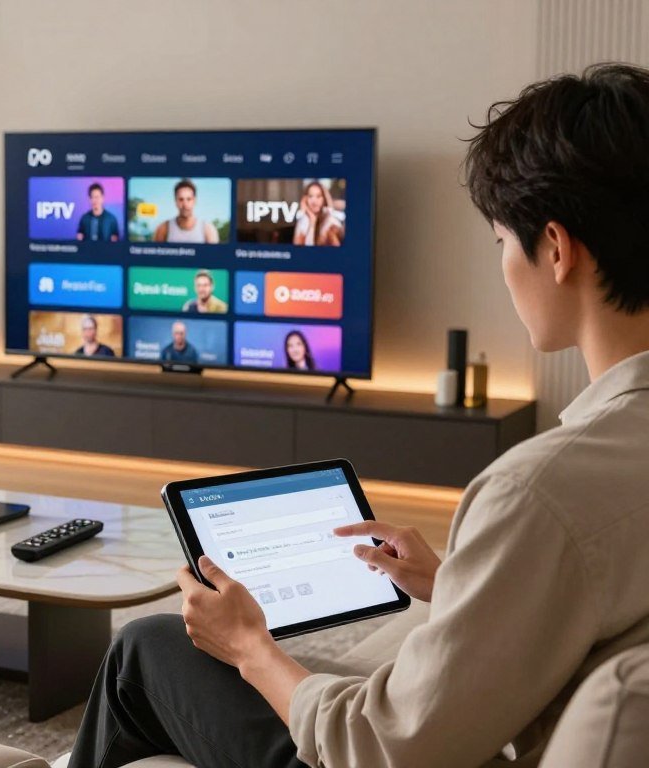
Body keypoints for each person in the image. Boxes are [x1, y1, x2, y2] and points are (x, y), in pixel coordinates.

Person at [68, 63, 649, 768]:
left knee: (145, 647)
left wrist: (249, 643)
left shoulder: (538, 492)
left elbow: (377, 746)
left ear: (556, 249)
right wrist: (458, 585)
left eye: (500, 241)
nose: (502, 264)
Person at [154, 179, 220, 244]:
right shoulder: (163, 229)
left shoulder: (208, 230)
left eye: (189, 199)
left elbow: (216, 254)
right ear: (175, 201)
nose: (185, 204)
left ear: (194, 201)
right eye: (181, 199)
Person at [292, 180, 344, 246]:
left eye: (318, 196)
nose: (314, 201)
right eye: (310, 196)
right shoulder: (303, 219)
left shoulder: (328, 216)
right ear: (305, 199)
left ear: (324, 199)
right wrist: (312, 221)